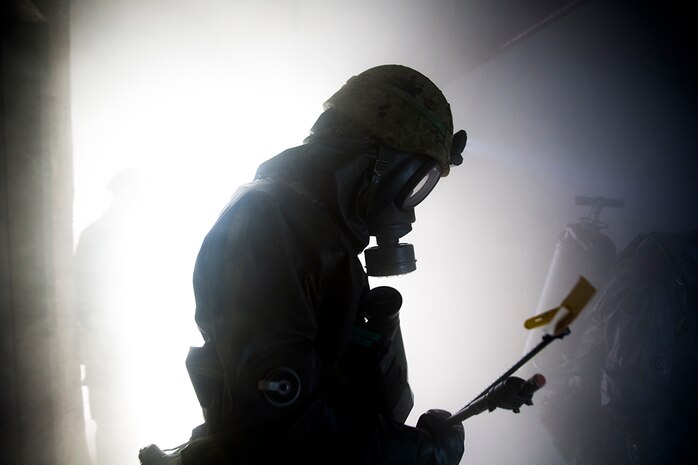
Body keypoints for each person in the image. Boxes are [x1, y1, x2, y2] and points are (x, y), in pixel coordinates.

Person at [181, 64, 468, 465]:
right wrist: (419, 453)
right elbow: (283, 428)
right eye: (416, 184)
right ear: (379, 163)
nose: (410, 212)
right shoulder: (268, 224)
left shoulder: (309, 226)